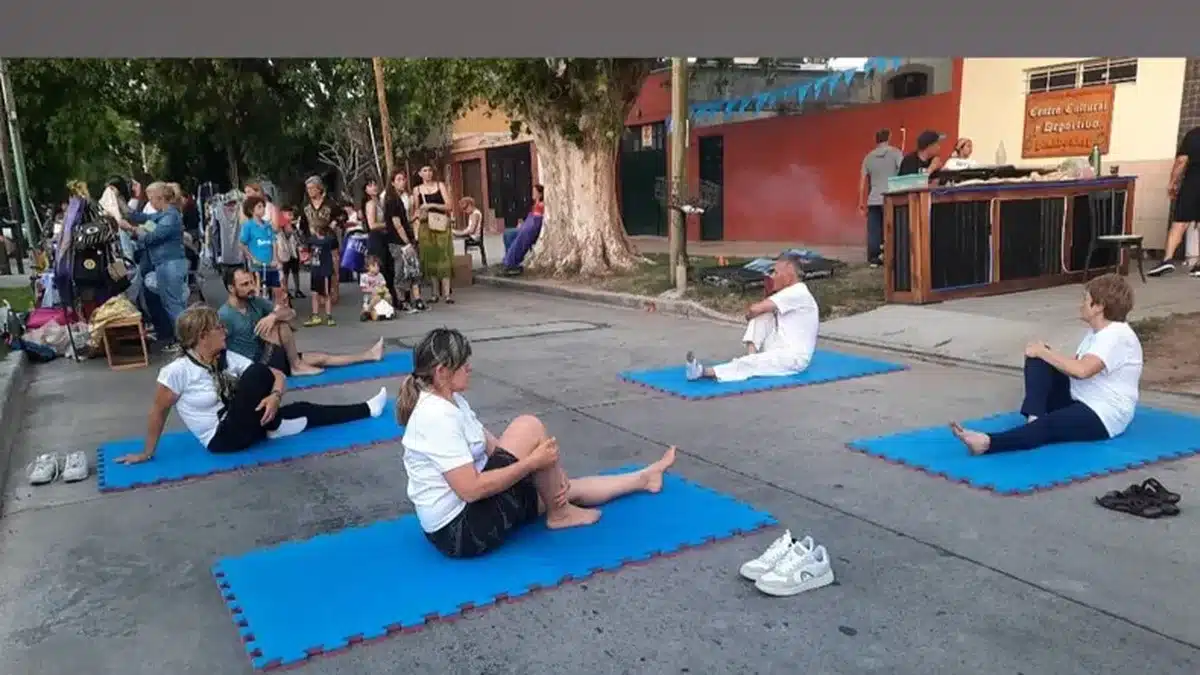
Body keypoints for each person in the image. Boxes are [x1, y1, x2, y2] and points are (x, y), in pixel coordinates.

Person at [399, 328, 679, 559]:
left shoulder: (452, 401)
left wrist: (547, 471)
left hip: (473, 512)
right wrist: (532, 464)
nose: (469, 368)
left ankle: (644, 479)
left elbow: (492, 446)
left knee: (561, 489)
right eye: (463, 364)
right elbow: (470, 490)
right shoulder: (436, 417)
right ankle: (560, 514)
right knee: (529, 427)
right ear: (442, 372)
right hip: (461, 531)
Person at [115, 305, 388, 463]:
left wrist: (275, 398)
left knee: (304, 409)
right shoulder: (177, 371)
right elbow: (158, 412)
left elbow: (278, 376)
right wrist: (146, 452)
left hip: (245, 421)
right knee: (257, 373)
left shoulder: (226, 357)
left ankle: (367, 408)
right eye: (219, 328)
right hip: (223, 438)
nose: (225, 332)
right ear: (202, 336)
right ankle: (273, 425)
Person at [951, 274, 1143, 455]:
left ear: (1098, 307)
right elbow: (1075, 366)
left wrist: (1044, 352)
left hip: (1104, 414)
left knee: (1050, 425)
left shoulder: (1117, 335)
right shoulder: (1097, 333)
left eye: (1085, 300)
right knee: (1038, 357)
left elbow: (1082, 370)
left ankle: (987, 443)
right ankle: (1034, 418)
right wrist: (1043, 353)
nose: (1081, 305)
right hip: (1080, 397)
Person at [219, 266, 384, 377]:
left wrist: (273, 316)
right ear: (231, 288)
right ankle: (296, 365)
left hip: (271, 356)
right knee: (281, 325)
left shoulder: (255, 301)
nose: (251, 288)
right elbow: (219, 350)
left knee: (323, 358)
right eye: (244, 284)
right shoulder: (225, 315)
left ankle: (370, 355)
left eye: (251, 282)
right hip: (255, 367)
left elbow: (291, 314)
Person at [685, 256, 819, 383]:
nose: (772, 276)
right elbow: (759, 310)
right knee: (762, 314)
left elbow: (754, 309)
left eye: (776, 273)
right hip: (779, 347)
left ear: (789, 273)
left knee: (758, 317)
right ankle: (752, 357)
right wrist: (754, 313)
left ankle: (702, 372)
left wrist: (749, 316)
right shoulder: (794, 292)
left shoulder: (797, 292)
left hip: (793, 358)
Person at [119, 181, 189, 352]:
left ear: (160, 198)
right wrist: (120, 204)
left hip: (170, 264)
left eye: (151, 199)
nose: (150, 203)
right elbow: (145, 220)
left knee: (173, 305)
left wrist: (131, 229)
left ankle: (186, 341)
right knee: (171, 303)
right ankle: (184, 339)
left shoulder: (170, 217)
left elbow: (152, 236)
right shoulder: (163, 215)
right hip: (166, 264)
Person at [1149, 126, 1200, 278]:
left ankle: (1167, 260)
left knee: (1180, 222)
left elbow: (1181, 161)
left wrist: (1172, 183)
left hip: (1194, 182)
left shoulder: (1193, 135)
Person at [857, 130, 903, 267]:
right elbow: (903, 171)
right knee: (891, 228)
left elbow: (862, 181)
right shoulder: (896, 153)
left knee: (874, 231)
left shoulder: (868, 157)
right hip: (891, 197)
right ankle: (891, 256)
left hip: (874, 199)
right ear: (889, 138)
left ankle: (874, 258)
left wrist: (861, 202)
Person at [297, 176, 345, 304]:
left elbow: (342, 215)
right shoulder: (306, 206)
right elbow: (302, 224)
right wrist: (305, 241)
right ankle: (321, 294)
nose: (310, 191)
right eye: (308, 189)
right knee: (318, 269)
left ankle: (334, 292)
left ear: (319, 188)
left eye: (312, 188)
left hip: (330, 239)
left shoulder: (330, 203)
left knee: (333, 268)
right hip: (314, 241)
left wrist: (335, 222)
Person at [413, 165, 456, 304]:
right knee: (430, 258)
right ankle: (434, 293)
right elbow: (416, 210)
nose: (428, 173)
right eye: (425, 171)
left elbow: (449, 205)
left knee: (444, 257)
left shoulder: (440, 185)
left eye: (430, 170)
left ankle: (447, 294)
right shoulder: (417, 190)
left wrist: (431, 205)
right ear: (420, 174)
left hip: (441, 224)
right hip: (426, 227)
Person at [385, 169, 425, 312]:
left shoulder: (400, 199)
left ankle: (417, 299)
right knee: (401, 271)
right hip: (398, 242)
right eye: (399, 179)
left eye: (403, 179)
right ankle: (401, 300)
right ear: (392, 183)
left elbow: (404, 221)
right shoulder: (392, 201)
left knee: (413, 269)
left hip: (407, 238)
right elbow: (397, 224)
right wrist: (406, 242)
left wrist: (414, 218)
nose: (402, 182)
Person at [238, 195, 281, 299]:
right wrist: (252, 258)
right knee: (258, 291)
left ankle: (276, 307)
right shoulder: (248, 226)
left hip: (271, 264)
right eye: (259, 207)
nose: (263, 209)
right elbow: (242, 244)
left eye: (263, 207)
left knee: (276, 290)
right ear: (251, 210)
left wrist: (275, 258)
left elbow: (274, 242)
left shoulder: (267, 225)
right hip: (257, 265)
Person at [306, 219, 338, 327]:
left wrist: (334, 270)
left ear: (316, 229)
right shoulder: (312, 240)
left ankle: (327, 315)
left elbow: (334, 255)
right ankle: (317, 315)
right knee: (316, 294)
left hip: (324, 271)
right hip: (317, 270)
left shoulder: (329, 241)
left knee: (325, 294)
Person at [358, 255, 394, 321]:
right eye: (374, 266)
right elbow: (363, 288)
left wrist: (382, 288)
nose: (377, 268)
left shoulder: (380, 275)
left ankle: (389, 309)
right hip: (369, 295)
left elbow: (383, 284)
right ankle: (368, 310)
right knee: (377, 298)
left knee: (388, 296)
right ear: (368, 267)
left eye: (378, 266)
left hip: (380, 293)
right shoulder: (364, 277)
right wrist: (372, 290)